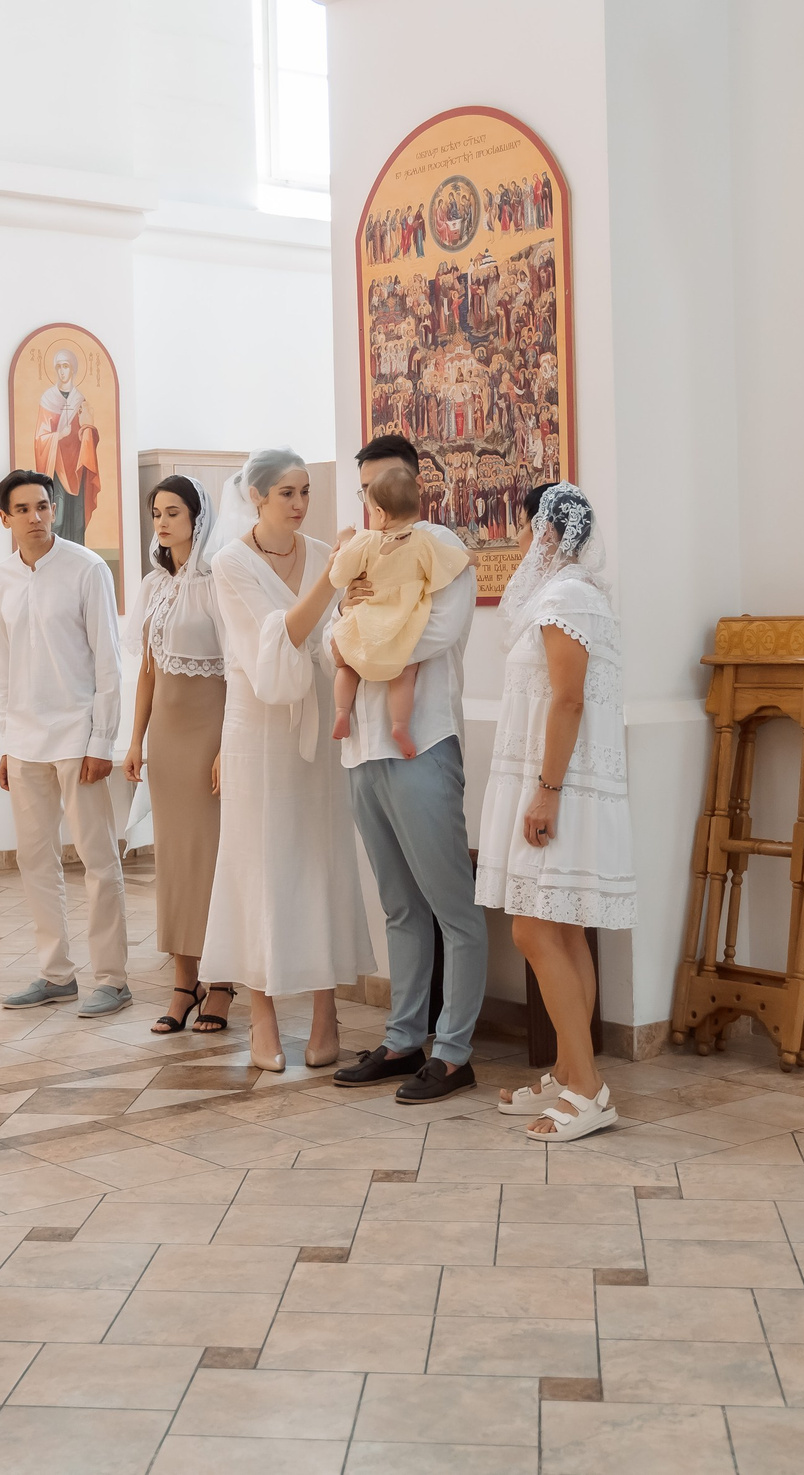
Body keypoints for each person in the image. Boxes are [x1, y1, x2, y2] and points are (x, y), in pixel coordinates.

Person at [204, 450, 374, 1072]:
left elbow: (339, 636)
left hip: (318, 728)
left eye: (305, 491)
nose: (300, 504)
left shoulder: (324, 552)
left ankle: (327, 1014)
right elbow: (275, 644)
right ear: (256, 496)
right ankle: (263, 1013)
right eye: (286, 493)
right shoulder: (230, 563)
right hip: (257, 729)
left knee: (320, 858)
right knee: (259, 863)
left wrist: (347, 598)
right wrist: (332, 580)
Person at [478, 483, 635, 1141]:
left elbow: (568, 699)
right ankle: (571, 1072)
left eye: (523, 528)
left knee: (534, 931)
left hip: (558, 785)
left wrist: (546, 790)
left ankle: (590, 1089)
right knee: (562, 930)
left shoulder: (566, 596)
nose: (519, 542)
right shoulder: (570, 594)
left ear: (544, 530)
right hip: (554, 782)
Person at [331, 432, 483, 1105]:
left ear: (416, 481)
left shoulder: (441, 548)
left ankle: (454, 1053)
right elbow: (330, 641)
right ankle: (403, 1040)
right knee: (398, 905)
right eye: (367, 487)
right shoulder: (364, 556)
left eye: (387, 481)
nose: (376, 497)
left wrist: (361, 620)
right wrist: (351, 609)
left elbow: (437, 631)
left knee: (453, 908)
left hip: (421, 744)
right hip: (363, 748)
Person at [0, 468, 131, 1017]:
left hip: (77, 736)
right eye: (23, 509)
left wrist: (102, 740)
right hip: (25, 740)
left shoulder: (87, 568)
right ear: (5, 518)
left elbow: (109, 662)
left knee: (98, 860)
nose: (36, 517)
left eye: (43, 506)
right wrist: (6, 742)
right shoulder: (1, 578)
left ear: (55, 509)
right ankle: (55, 974)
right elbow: (3, 668)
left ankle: (112, 979)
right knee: (35, 861)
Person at [122, 476, 234, 1035]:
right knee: (172, 863)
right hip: (164, 742)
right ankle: (184, 982)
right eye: (156, 513)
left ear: (197, 518)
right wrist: (135, 740)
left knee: (209, 860)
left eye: (173, 512)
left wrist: (228, 747)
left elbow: (237, 674)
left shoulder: (218, 585)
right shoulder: (153, 586)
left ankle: (223, 982)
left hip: (209, 737)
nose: (163, 523)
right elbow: (147, 671)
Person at [327, 462, 470, 758]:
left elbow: (338, 575)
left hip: (365, 621)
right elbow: (451, 561)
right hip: (399, 622)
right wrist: (470, 558)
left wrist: (345, 541)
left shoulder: (366, 541)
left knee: (347, 666)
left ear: (379, 513)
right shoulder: (424, 543)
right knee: (404, 672)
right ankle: (400, 726)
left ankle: (341, 712)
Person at [31, 349, 103, 546]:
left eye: (66, 366)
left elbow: (87, 435)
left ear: (73, 369)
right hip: (57, 467)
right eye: (59, 367)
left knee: (77, 520)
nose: (62, 371)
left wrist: (87, 427)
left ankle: (77, 557)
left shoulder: (80, 400)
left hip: (77, 468)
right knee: (59, 517)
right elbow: (40, 438)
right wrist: (59, 435)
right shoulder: (48, 399)